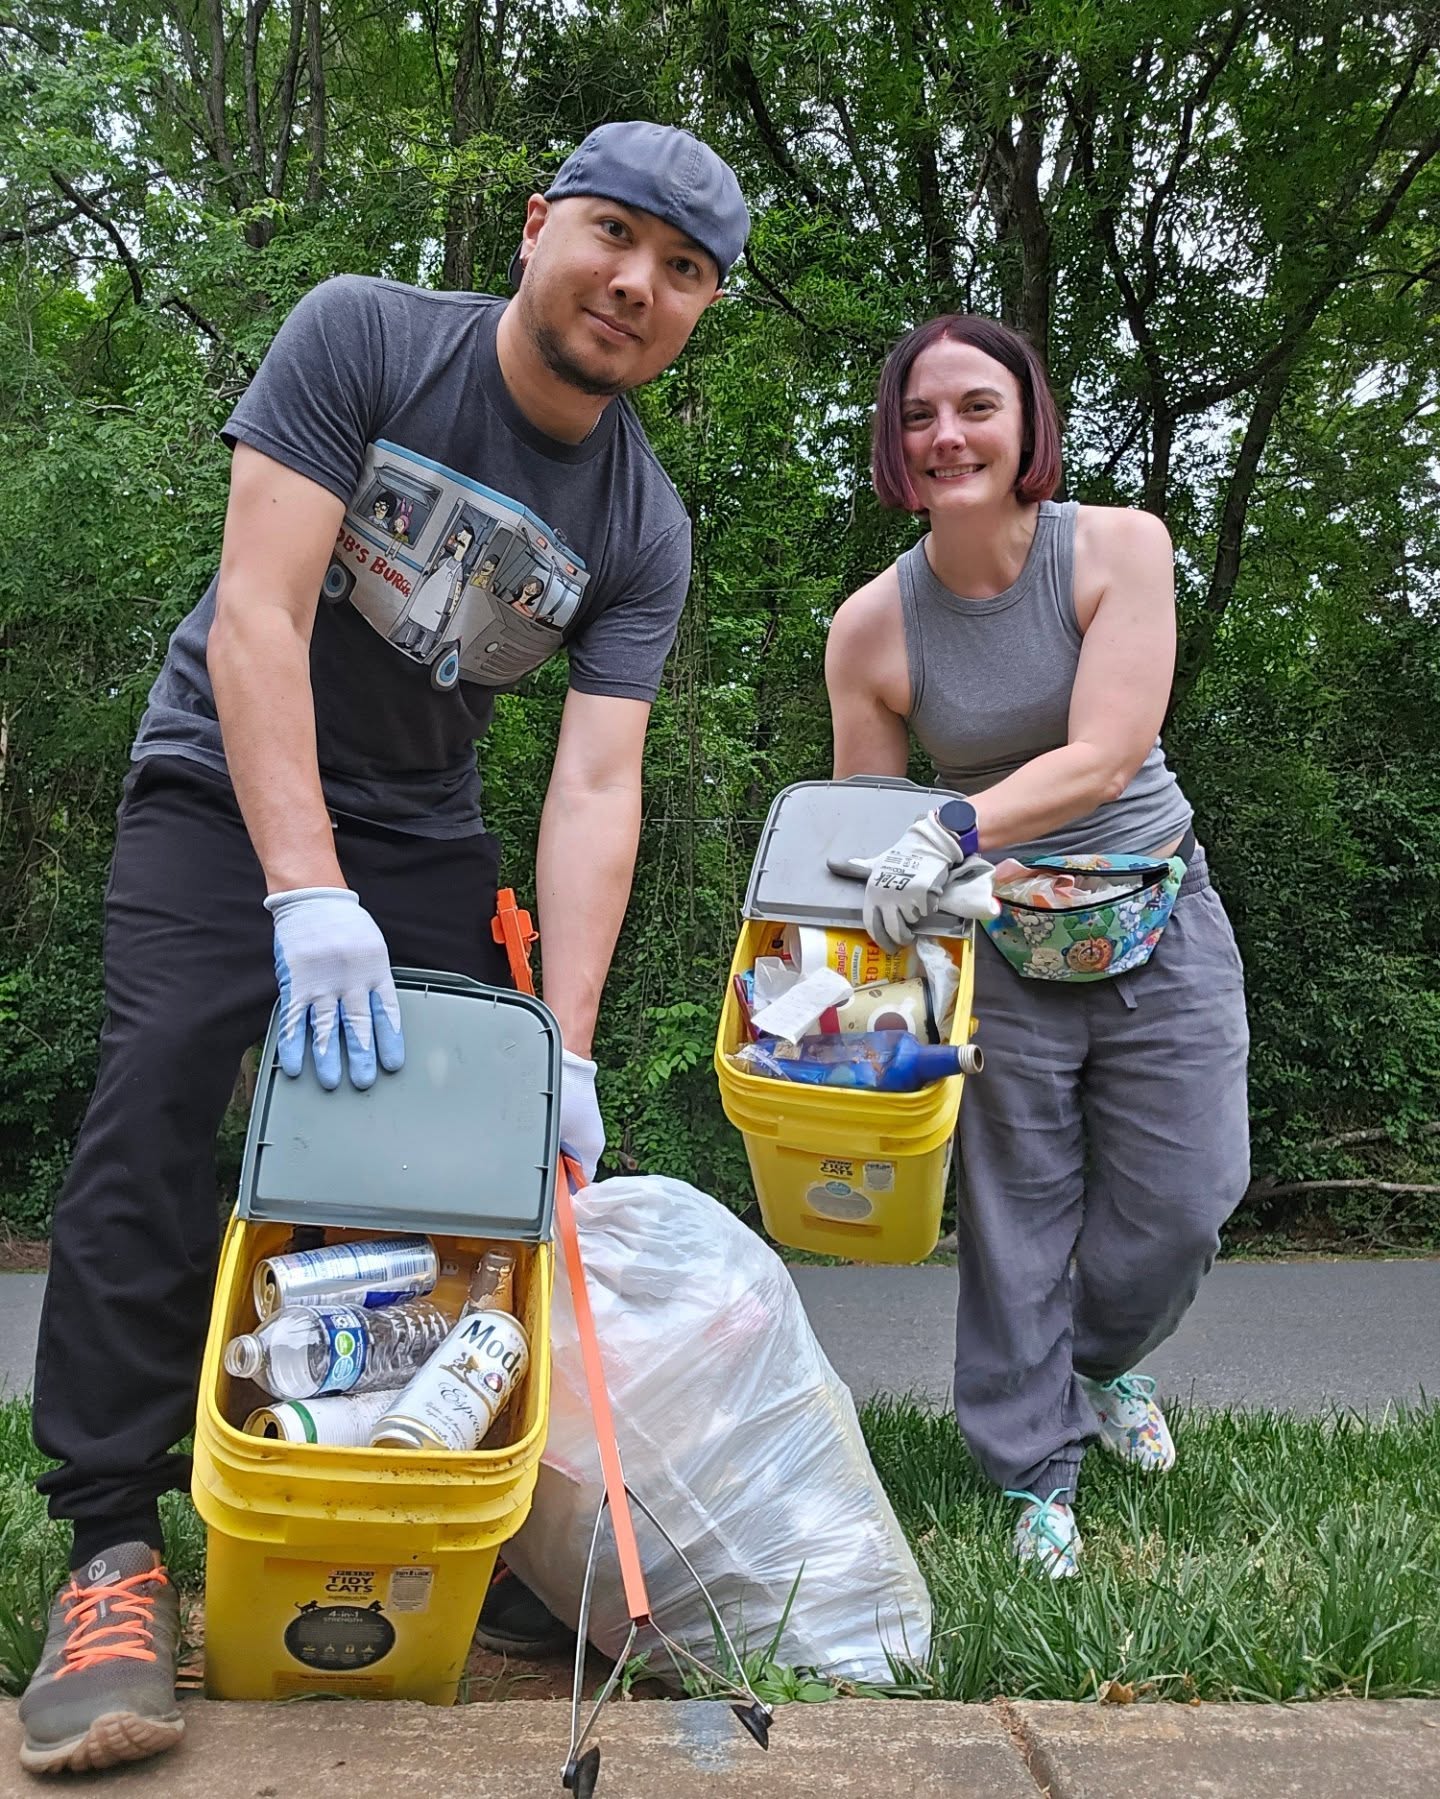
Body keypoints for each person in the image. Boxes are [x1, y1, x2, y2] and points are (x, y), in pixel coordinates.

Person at [18, 120, 748, 1776]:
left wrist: (562, 1040)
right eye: (616, 235)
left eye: (684, 270)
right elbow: (260, 610)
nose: (637, 283)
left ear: (699, 309)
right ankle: (112, 1553)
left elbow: (594, 779)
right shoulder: (362, 335)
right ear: (537, 224)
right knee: (160, 1094)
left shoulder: (642, 524)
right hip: (222, 781)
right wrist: (297, 886)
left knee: (440, 1184)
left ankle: (385, 1502)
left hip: (424, 829)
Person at [825, 314, 1250, 1580]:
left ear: (1026, 427)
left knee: (1188, 1199)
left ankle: (1101, 1360)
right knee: (1016, 1213)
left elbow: (1110, 750)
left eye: (976, 407)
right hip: (997, 942)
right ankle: (1032, 1470)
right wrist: (897, 944)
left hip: (1157, 909)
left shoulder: (1118, 548)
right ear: (897, 450)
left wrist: (952, 825)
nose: (946, 433)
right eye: (918, 416)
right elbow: (870, 831)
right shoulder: (872, 628)